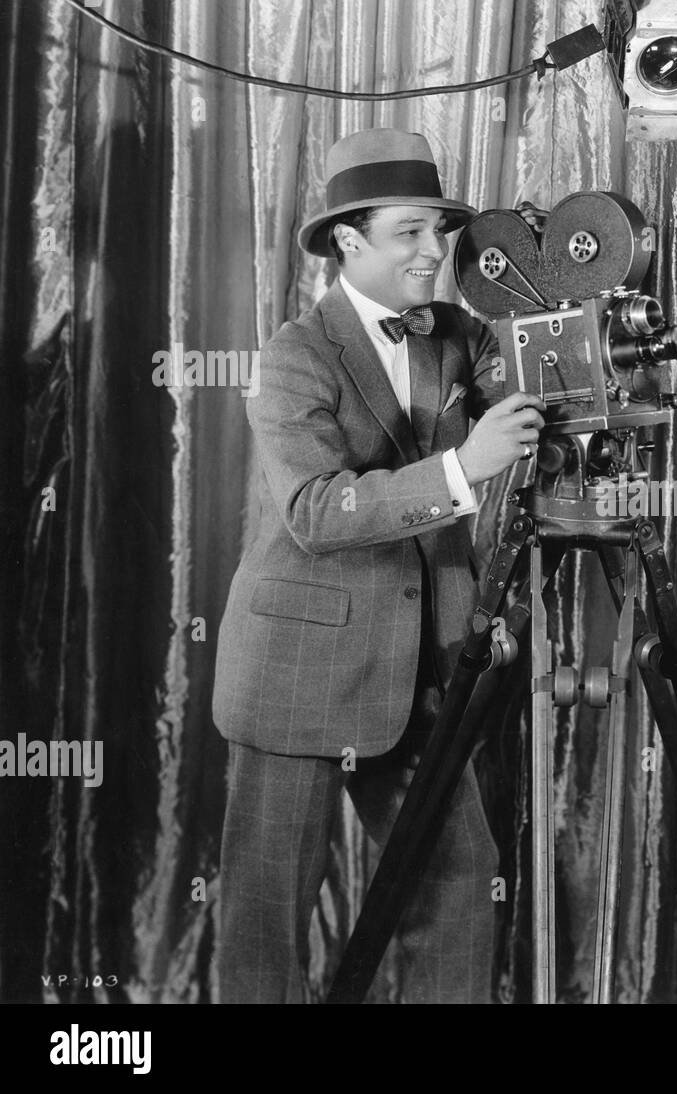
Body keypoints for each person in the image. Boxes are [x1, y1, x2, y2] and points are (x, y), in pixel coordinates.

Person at [212, 128, 545, 1003]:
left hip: (420, 670)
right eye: (411, 232)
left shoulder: (452, 335)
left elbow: (534, 371)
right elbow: (318, 511)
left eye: (441, 229)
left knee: (462, 888)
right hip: (296, 667)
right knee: (267, 921)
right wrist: (464, 467)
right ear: (348, 242)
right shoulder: (294, 355)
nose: (436, 252)